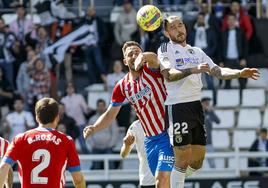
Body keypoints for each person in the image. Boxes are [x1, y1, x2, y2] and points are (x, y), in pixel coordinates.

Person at [84, 41, 207, 187]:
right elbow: (110, 114)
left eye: (137, 52)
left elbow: (154, 58)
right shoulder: (122, 86)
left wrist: (142, 56)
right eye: (130, 54)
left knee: (161, 180)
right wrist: (94, 128)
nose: (135, 55)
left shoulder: (150, 70)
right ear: (125, 61)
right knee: (162, 184)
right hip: (150, 141)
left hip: (168, 134)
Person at [158, 15, 260, 188]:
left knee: (197, 162)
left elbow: (218, 71)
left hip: (196, 106)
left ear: (186, 27)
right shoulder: (165, 49)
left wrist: (239, 73)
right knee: (182, 159)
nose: (178, 29)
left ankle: (175, 180)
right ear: (167, 32)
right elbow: (169, 74)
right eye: (173, 27)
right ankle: (173, 182)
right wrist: (193, 69)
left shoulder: (196, 51)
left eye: (180, 25)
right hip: (177, 106)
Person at [0, 98, 86, 188]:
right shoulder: (66, 140)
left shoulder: (20, 139)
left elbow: (3, 167)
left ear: (37, 117)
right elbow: (78, 179)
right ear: (57, 117)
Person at [120, 120, 155, 188]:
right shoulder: (135, 126)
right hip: (147, 180)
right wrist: (127, 146)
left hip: (168, 177)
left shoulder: (167, 120)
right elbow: (123, 155)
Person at [87, 99, 118, 169]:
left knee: (110, 167)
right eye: (99, 106)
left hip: (108, 147)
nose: (100, 108)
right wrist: (92, 144)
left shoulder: (111, 117)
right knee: (96, 167)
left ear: (105, 106)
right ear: (97, 107)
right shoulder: (92, 119)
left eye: (102, 106)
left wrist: (111, 144)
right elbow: (88, 133)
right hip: (96, 147)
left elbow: (115, 132)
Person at [221, 13, 248, 90]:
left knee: (243, 83)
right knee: (227, 84)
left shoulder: (241, 32)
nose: (231, 21)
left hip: (239, 60)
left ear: (236, 20)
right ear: (227, 21)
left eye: (233, 19)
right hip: (227, 60)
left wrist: (244, 59)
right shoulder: (223, 33)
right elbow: (220, 48)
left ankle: (243, 101)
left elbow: (245, 46)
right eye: (229, 19)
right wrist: (221, 61)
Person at [201, 97, 220, 168]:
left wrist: (211, 112)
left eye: (208, 103)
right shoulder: (198, 113)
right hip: (199, 143)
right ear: (202, 104)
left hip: (209, 142)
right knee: (197, 164)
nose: (207, 105)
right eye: (205, 103)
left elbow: (218, 121)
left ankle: (215, 178)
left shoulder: (210, 113)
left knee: (212, 164)